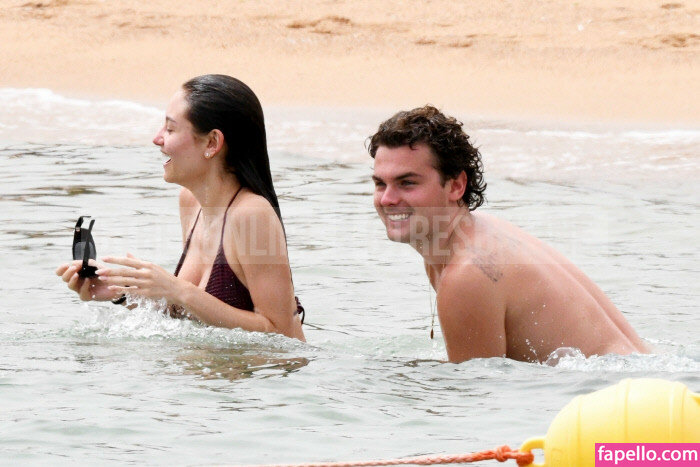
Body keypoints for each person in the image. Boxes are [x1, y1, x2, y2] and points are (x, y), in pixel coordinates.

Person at [368, 105, 648, 363]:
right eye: (381, 184)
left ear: (456, 186)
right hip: (639, 380)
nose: (387, 199)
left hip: (619, 392)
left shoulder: (467, 273)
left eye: (407, 183)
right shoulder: (471, 237)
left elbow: (471, 392)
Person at [56, 74, 305, 341]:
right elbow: (191, 316)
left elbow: (281, 334)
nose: (157, 139)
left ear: (212, 143)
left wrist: (177, 289)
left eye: (170, 129)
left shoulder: (251, 215)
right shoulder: (191, 201)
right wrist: (123, 291)